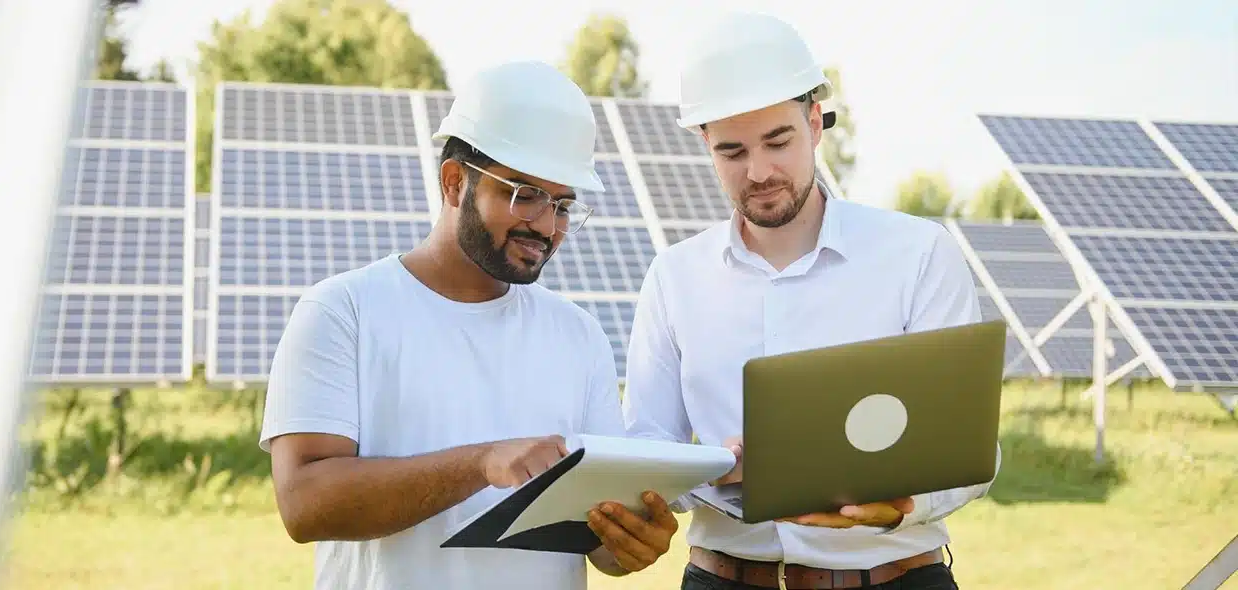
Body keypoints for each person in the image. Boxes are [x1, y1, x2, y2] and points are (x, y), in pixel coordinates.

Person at [258, 60, 680, 590]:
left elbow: (599, 538)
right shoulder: (342, 312)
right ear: (455, 182)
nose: (547, 226)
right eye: (524, 195)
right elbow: (305, 505)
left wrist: (627, 542)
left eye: (563, 205)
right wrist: (480, 463)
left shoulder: (578, 335)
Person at [621, 13, 1001, 590]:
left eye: (779, 141)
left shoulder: (919, 253)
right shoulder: (674, 277)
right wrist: (718, 471)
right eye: (732, 151)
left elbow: (970, 451)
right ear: (705, 143)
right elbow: (647, 446)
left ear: (816, 122)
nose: (760, 171)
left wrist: (901, 504)